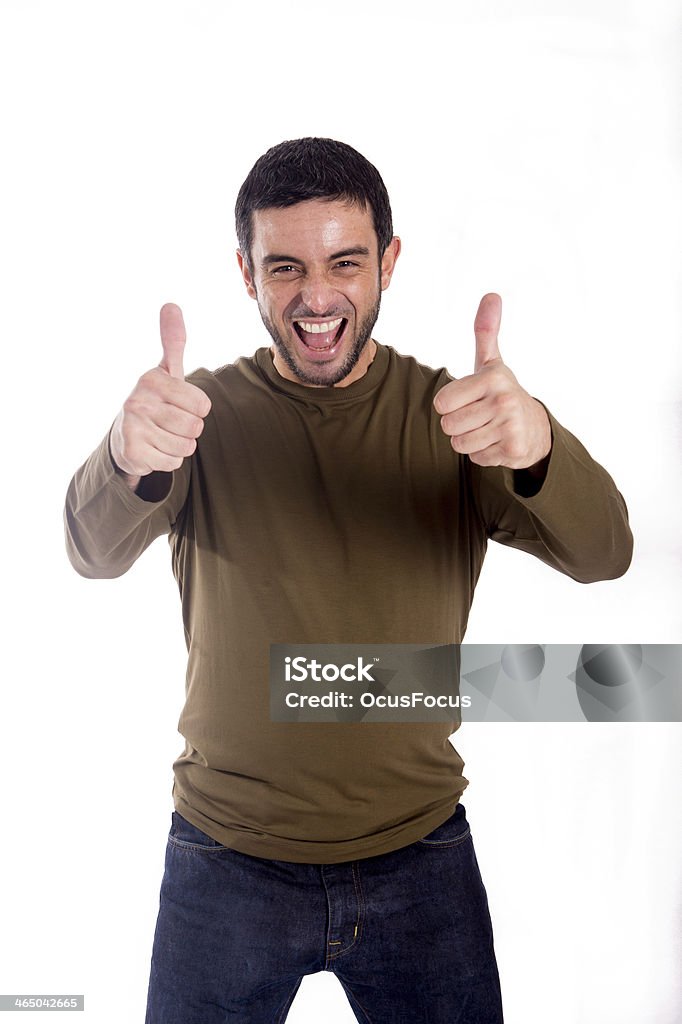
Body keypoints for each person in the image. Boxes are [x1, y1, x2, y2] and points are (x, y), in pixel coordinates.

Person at [63, 137, 633, 1024]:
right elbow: (91, 553)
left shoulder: (458, 418)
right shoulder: (194, 419)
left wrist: (541, 448)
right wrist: (127, 458)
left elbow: (606, 555)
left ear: (389, 264)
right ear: (246, 274)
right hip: (225, 860)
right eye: (283, 266)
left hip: (421, 858)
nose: (317, 296)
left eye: (345, 262)